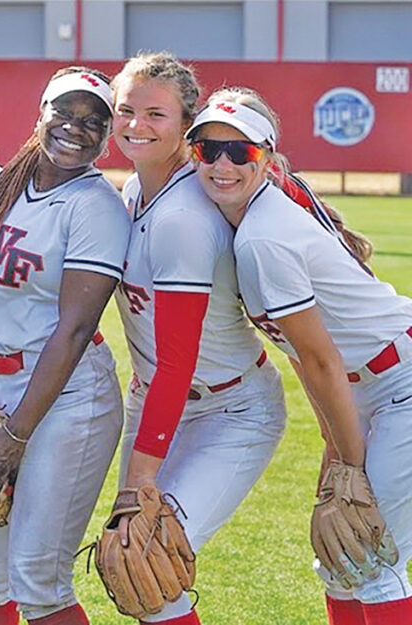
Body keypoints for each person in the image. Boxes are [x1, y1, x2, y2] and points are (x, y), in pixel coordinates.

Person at [187, 87, 412, 625]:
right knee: (338, 562)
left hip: (399, 383)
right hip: (368, 386)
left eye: (240, 152)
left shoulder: (263, 238)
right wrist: (337, 449)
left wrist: (349, 464)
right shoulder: (248, 218)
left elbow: (320, 362)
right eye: (207, 149)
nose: (222, 163)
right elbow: (307, 360)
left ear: (266, 159)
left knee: (370, 557)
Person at [0, 67, 129, 625]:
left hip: (65, 399)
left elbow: (74, 329)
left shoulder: (95, 206)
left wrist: (16, 433)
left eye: (94, 120)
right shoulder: (3, 189)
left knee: (39, 579)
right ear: (40, 113)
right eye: (64, 112)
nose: (75, 127)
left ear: (107, 135)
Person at [107, 53, 287, 624]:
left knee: (145, 557)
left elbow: (179, 360)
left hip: (228, 408)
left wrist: (139, 481)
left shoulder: (183, 216)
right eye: (126, 110)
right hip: (159, 399)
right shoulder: (138, 189)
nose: (136, 124)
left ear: (188, 124)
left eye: (155, 113)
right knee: (134, 570)